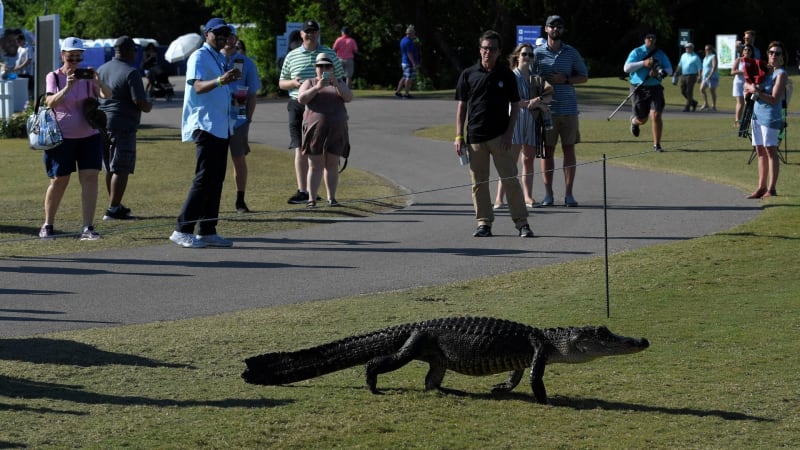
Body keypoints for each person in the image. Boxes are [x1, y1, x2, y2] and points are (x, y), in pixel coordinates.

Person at [454, 30, 534, 238]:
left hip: (501, 137)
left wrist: (509, 133)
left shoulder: (506, 75)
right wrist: (458, 136)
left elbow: (515, 105)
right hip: (475, 138)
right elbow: (462, 108)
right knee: (479, 183)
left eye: (492, 49)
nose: (487, 52)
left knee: (510, 180)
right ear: (479, 50)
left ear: (499, 52)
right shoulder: (468, 74)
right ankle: (484, 223)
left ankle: (522, 223)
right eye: (484, 48)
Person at [169, 18, 240, 248]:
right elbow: (198, 86)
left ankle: (207, 229)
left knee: (215, 179)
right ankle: (182, 229)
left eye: (225, 33)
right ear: (207, 33)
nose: (222, 36)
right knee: (204, 178)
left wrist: (226, 81)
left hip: (220, 125)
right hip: (205, 125)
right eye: (218, 32)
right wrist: (221, 80)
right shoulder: (199, 56)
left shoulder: (218, 57)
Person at [38, 37, 112, 241]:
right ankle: (48, 224)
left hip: (90, 135)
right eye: (71, 58)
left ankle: (87, 227)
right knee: (59, 181)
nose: (75, 63)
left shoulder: (88, 77)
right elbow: (50, 101)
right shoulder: (53, 76)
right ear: (62, 55)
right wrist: (68, 87)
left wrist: (98, 81)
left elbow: (107, 94)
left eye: (79, 58)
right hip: (62, 137)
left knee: (89, 178)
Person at [279, 20, 344, 205]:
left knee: (326, 151)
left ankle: (324, 194)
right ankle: (303, 190)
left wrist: (332, 84)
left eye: (314, 31)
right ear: (301, 34)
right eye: (307, 31)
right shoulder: (292, 55)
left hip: (325, 105)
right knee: (300, 148)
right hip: (298, 103)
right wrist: (294, 83)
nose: (310, 34)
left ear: (318, 33)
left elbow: (339, 78)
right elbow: (281, 82)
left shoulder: (329, 54)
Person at [533, 15, 588, 207]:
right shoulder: (537, 54)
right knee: (547, 152)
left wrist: (564, 79)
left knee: (569, 149)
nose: (555, 29)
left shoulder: (571, 52)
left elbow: (583, 76)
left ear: (562, 30)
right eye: (552, 26)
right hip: (547, 110)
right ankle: (548, 194)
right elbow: (530, 78)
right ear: (546, 29)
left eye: (559, 26)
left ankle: (569, 194)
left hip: (569, 109)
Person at [96, 36, 153, 221]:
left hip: (102, 123)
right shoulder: (131, 72)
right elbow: (139, 101)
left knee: (110, 167)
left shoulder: (101, 69)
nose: (135, 54)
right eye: (135, 51)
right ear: (129, 51)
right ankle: (113, 210)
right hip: (123, 125)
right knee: (121, 168)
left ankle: (115, 205)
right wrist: (149, 105)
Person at [494, 43, 550, 209]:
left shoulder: (535, 77)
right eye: (524, 54)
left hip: (532, 120)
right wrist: (530, 102)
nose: (527, 57)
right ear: (517, 56)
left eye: (530, 55)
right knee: (510, 160)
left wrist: (539, 100)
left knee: (528, 159)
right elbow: (512, 101)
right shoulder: (511, 76)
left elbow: (548, 94)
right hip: (515, 119)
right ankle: (499, 198)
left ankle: (528, 196)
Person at [297, 53, 353, 207]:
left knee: (332, 164)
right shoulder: (310, 82)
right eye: (320, 66)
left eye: (327, 66)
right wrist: (317, 87)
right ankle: (311, 199)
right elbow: (301, 99)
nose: (323, 69)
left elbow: (348, 97)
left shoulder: (338, 83)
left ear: (333, 68)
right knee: (315, 165)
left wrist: (337, 83)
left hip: (336, 130)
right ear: (315, 68)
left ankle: (332, 198)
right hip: (316, 131)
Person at [222, 27, 260, 213]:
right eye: (225, 36)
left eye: (231, 36)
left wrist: (247, 120)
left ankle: (240, 200)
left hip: (239, 119)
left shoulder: (246, 63)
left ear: (236, 39)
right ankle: (211, 199)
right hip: (216, 119)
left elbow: (252, 94)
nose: (228, 40)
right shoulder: (214, 60)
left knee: (239, 159)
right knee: (215, 162)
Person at [743, 41, 787, 199]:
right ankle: (761, 187)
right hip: (757, 115)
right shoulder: (766, 72)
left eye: (777, 53)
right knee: (760, 151)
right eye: (771, 52)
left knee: (771, 151)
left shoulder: (781, 74)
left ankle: (771, 188)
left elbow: (775, 99)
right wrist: (750, 88)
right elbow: (748, 86)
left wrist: (756, 91)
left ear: (782, 58)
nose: (774, 55)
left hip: (770, 117)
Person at [624, 30, 673, 152]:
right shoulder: (637, 52)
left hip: (655, 86)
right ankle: (634, 121)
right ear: (644, 39)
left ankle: (657, 145)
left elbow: (670, 69)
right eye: (648, 37)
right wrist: (643, 63)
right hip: (638, 87)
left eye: (653, 38)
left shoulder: (660, 54)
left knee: (656, 115)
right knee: (643, 119)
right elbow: (626, 68)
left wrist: (658, 73)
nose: (651, 39)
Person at [732, 44, 755, 127]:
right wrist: (743, 72)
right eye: (745, 50)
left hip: (748, 84)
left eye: (749, 50)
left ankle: (746, 120)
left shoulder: (753, 61)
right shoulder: (739, 60)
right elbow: (732, 71)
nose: (747, 51)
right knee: (740, 102)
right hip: (738, 83)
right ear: (742, 52)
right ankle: (737, 121)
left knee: (748, 102)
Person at [394, 25, 420, 98]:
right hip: (409, 63)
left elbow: (416, 42)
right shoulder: (408, 42)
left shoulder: (404, 40)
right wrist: (414, 63)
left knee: (404, 77)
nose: (414, 34)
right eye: (413, 33)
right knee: (409, 78)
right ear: (410, 34)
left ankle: (398, 92)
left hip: (405, 62)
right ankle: (406, 94)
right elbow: (409, 53)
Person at [676, 43, 701, 112]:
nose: (687, 49)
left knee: (689, 91)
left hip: (692, 75)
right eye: (686, 48)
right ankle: (693, 102)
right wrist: (676, 73)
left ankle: (687, 106)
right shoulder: (683, 55)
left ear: (692, 48)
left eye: (688, 47)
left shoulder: (695, 57)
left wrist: (699, 76)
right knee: (683, 91)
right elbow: (680, 65)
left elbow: (699, 68)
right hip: (684, 75)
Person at [11, 33, 33, 100]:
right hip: (19, 72)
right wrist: (15, 66)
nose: (18, 43)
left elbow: (28, 60)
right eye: (17, 42)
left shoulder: (28, 48)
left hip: (27, 72)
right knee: (21, 88)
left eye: (19, 42)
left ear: (23, 40)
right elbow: (18, 59)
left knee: (28, 88)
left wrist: (19, 67)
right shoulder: (19, 48)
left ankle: (29, 102)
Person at [699, 44, 719, 111]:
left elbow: (714, 67)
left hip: (712, 77)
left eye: (707, 49)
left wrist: (710, 75)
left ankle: (714, 106)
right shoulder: (705, 58)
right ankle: (706, 103)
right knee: (702, 89)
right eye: (705, 49)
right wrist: (701, 76)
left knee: (712, 91)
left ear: (710, 50)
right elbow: (704, 68)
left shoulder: (713, 56)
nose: (706, 51)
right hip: (705, 77)